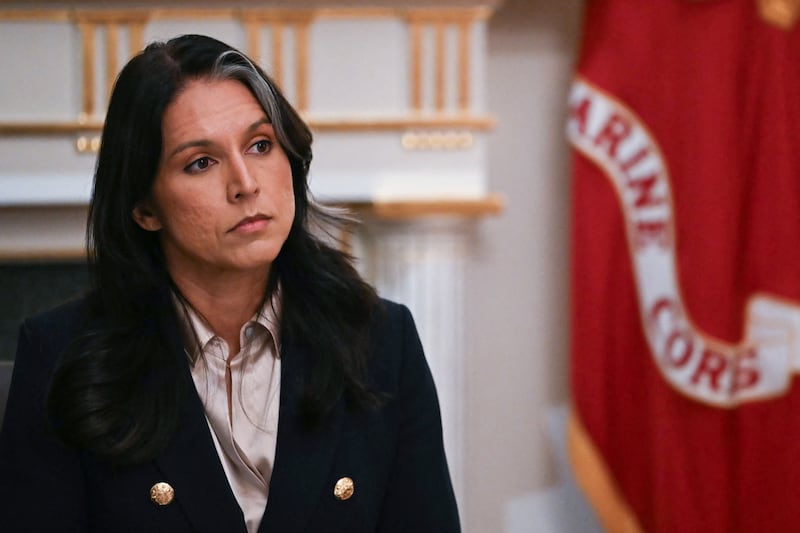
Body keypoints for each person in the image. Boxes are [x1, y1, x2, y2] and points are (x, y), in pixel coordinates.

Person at [0, 34, 460, 532]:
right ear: (145, 207)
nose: (245, 182)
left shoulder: (382, 340)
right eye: (201, 162)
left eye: (260, 145)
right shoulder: (59, 355)